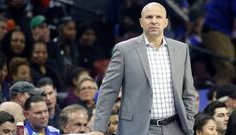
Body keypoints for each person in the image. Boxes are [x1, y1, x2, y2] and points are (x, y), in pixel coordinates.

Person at [89, 2, 196, 135]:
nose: (154, 21)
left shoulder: (181, 49)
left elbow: (188, 92)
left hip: (175, 128)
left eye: (158, 17)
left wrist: (189, 124)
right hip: (137, 129)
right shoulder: (124, 50)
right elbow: (109, 90)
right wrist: (99, 129)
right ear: (141, 22)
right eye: (149, 17)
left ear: (166, 22)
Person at [201, 0, 236, 84]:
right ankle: (219, 95)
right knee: (227, 71)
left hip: (216, 30)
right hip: (216, 31)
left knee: (230, 69)